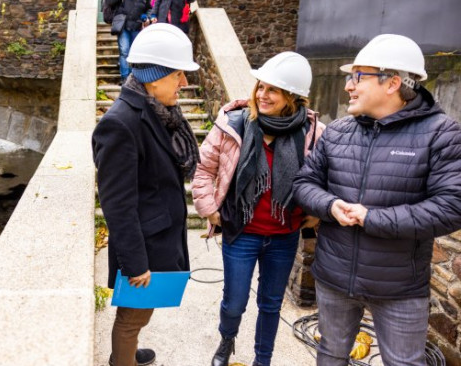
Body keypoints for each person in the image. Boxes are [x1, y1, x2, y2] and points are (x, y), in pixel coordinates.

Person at [293, 34, 461, 366]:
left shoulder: (442, 134)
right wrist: (329, 205)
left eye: (357, 77)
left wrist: (373, 218)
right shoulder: (339, 131)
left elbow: (451, 207)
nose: (348, 87)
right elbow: (304, 183)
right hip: (334, 278)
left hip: (399, 288)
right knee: (330, 354)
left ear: (393, 82)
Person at [191, 51, 325, 366]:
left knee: (271, 303)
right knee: (235, 302)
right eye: (260, 87)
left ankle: (262, 359)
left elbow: (326, 176)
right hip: (242, 232)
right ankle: (226, 341)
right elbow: (203, 170)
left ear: (292, 96)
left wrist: (316, 211)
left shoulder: (311, 132)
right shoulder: (234, 123)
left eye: (273, 90)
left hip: (284, 234)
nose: (262, 95)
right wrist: (210, 209)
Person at [92, 23, 200, 366]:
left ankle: (127, 352)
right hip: (144, 245)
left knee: (139, 313)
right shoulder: (120, 123)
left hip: (157, 236)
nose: (184, 83)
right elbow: (117, 205)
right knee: (131, 317)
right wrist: (135, 263)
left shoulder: (156, 112)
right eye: (179, 75)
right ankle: (121, 360)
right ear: (155, 77)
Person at [105, 0, 152, 84]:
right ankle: (125, 78)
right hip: (123, 26)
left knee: (134, 53)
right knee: (124, 51)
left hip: (137, 27)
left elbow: (149, 8)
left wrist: (146, 16)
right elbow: (110, 3)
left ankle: (133, 77)